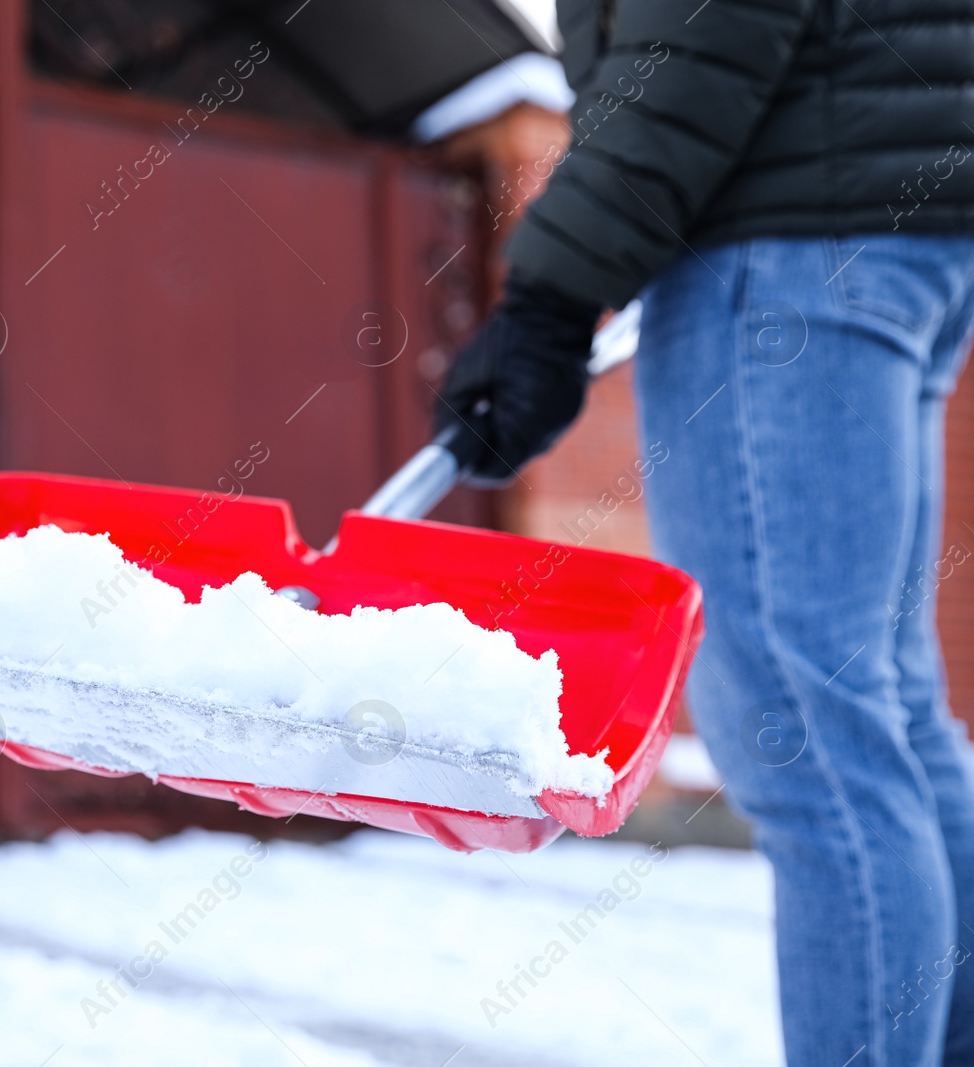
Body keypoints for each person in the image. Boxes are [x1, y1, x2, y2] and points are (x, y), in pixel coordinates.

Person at [436, 0, 974, 1064]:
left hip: (785, 244)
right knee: (882, 701)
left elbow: (707, 27)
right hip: (897, 229)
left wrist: (549, 293)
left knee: (806, 715)